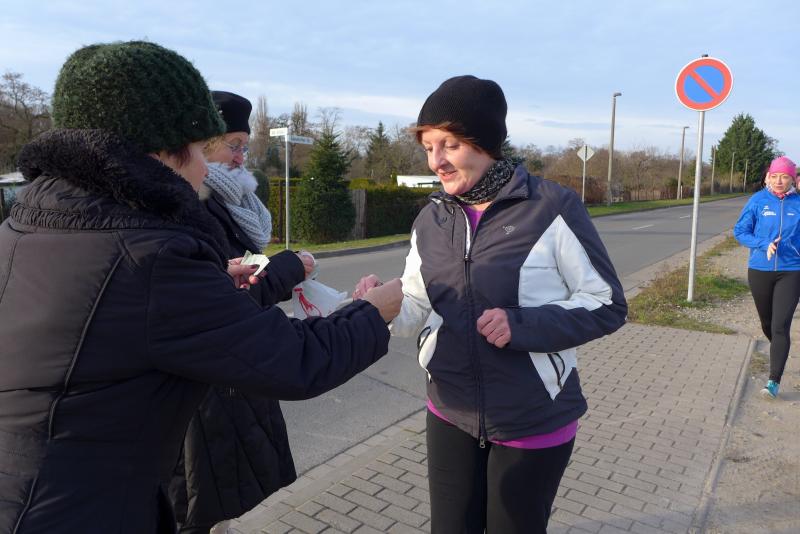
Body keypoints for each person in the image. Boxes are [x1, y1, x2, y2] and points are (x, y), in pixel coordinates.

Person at [0, 41, 402, 534]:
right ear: (159, 149)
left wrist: (207, 286)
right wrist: (373, 310)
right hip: (82, 511)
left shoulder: (27, 226)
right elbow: (293, 360)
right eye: (196, 147)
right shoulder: (149, 255)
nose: (203, 167)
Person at [354, 75, 627, 533]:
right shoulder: (431, 218)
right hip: (450, 410)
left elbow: (607, 303)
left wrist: (522, 326)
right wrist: (376, 308)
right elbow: (418, 301)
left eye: (450, 145)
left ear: (485, 143)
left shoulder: (551, 207)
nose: (436, 161)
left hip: (533, 416)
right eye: (428, 147)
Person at [169, 91, 309, 534]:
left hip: (228, 383)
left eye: (245, 147)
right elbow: (217, 302)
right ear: (202, 144)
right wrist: (287, 269)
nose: (240, 157)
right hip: (204, 394)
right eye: (233, 145)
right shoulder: (190, 204)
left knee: (214, 509)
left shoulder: (229, 200)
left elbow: (233, 277)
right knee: (196, 507)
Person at [734, 155, 800, 400]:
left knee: (780, 325)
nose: (779, 181)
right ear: (767, 178)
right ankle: (779, 349)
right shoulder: (758, 200)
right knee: (768, 324)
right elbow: (740, 231)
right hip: (760, 269)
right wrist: (763, 244)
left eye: (784, 177)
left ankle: (773, 381)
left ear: (793, 180)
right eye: (775, 176)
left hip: (792, 271)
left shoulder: (798, 203)